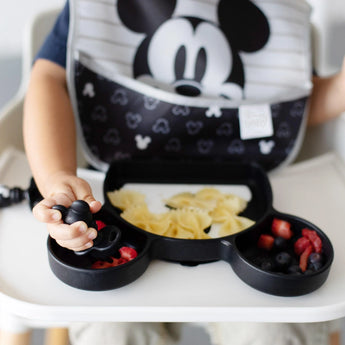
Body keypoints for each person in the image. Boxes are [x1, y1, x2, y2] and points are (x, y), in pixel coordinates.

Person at [23, 0, 345, 344]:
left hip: (254, 204)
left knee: (277, 332)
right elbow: (49, 79)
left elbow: (289, 108)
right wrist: (56, 177)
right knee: (111, 331)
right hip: (117, 207)